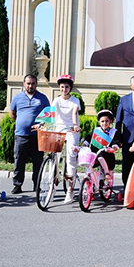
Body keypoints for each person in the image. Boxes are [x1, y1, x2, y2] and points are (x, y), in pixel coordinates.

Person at [9, 74, 50, 194]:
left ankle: (37, 185)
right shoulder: (17, 98)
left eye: (32, 83)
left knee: (37, 161)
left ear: (36, 84)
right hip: (21, 135)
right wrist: (21, 122)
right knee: (19, 161)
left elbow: (48, 116)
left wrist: (41, 124)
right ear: (24, 84)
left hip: (37, 136)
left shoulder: (43, 98)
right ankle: (17, 185)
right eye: (28, 83)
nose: (30, 86)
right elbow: (12, 113)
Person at [52, 74, 82, 203]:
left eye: (67, 87)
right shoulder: (56, 100)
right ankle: (53, 182)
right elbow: (51, 114)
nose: (64, 89)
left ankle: (70, 189)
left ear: (70, 88)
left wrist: (75, 125)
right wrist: (42, 123)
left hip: (71, 130)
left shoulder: (75, 100)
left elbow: (74, 113)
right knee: (54, 157)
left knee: (70, 157)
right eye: (62, 87)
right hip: (58, 129)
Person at [87, 109, 119, 190]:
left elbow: (116, 142)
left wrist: (113, 148)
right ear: (99, 122)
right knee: (87, 160)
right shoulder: (96, 131)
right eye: (102, 121)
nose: (104, 123)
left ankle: (107, 173)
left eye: (107, 121)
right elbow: (88, 139)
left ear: (110, 121)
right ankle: (88, 180)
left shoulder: (113, 132)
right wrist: (83, 145)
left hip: (108, 156)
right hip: (95, 155)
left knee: (101, 156)